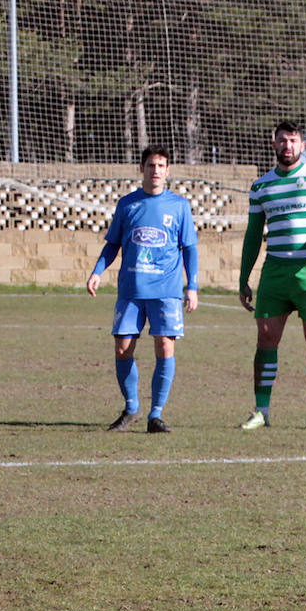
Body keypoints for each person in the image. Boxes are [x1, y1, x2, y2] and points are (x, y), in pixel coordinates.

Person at [237, 120, 306, 430]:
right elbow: (252, 235)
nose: (288, 146)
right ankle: (261, 411)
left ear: (302, 146)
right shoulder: (262, 186)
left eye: (294, 140)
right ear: (274, 144)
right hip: (274, 272)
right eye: (283, 140)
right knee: (266, 339)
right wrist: (244, 277)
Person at [87, 145, 199, 433]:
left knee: (164, 345)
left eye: (161, 165)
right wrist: (98, 271)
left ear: (168, 170)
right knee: (123, 347)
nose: (156, 170)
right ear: (142, 169)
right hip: (132, 289)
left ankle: (156, 414)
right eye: (151, 165)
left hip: (166, 290)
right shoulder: (127, 204)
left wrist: (192, 286)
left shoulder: (179, 206)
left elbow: (189, 249)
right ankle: (132, 407)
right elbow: (112, 243)